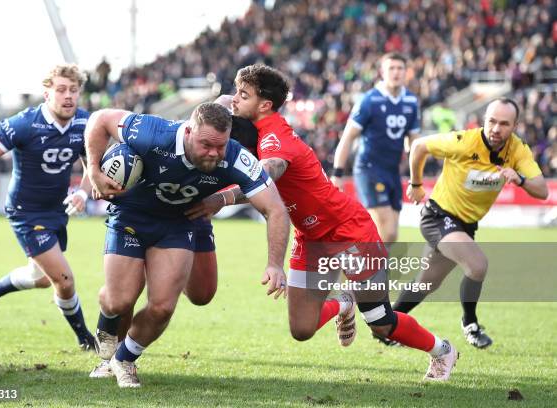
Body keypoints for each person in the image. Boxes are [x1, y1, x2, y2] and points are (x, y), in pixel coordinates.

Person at [191, 64, 458, 381]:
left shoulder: (275, 136)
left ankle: (443, 351)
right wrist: (226, 101)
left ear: (265, 105)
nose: (235, 99)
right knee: (301, 329)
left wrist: (220, 198)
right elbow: (221, 102)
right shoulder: (253, 122)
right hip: (309, 235)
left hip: (348, 231)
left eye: (243, 95)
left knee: (380, 320)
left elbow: (268, 174)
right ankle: (343, 301)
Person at [85, 102, 289, 387]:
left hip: (178, 222)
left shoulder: (234, 156)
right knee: (119, 300)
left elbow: (275, 208)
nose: (214, 153)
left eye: (221, 146)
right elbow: (100, 119)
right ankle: (107, 318)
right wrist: (93, 170)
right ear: (189, 131)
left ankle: (124, 359)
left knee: (162, 308)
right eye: (206, 145)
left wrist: (275, 263)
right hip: (131, 215)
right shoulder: (152, 133)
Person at [393, 97, 548, 348]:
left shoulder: (518, 150)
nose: (496, 129)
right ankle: (470, 324)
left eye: (504, 124)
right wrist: (416, 185)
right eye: (492, 121)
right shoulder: (464, 141)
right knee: (477, 265)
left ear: (515, 125)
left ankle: (387, 325)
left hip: (465, 225)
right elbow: (419, 146)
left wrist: (519, 179)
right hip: (438, 216)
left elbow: (542, 190)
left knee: (426, 283)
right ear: (484, 120)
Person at [0, 64, 96, 350]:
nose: (68, 96)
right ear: (46, 93)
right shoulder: (24, 123)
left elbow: (93, 164)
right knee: (64, 280)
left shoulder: (85, 123)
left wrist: (83, 192)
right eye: (61, 90)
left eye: (74, 90)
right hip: (26, 214)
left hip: (56, 212)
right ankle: (85, 339)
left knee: (39, 279)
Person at [331, 53, 420, 247]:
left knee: (390, 235)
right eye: (391, 68)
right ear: (382, 72)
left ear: (406, 72)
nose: (396, 72)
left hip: (392, 172)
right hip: (369, 169)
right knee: (386, 232)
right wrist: (337, 173)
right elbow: (347, 137)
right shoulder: (369, 100)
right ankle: (368, 273)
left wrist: (416, 177)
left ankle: (356, 266)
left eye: (400, 68)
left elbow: (414, 144)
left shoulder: (411, 102)